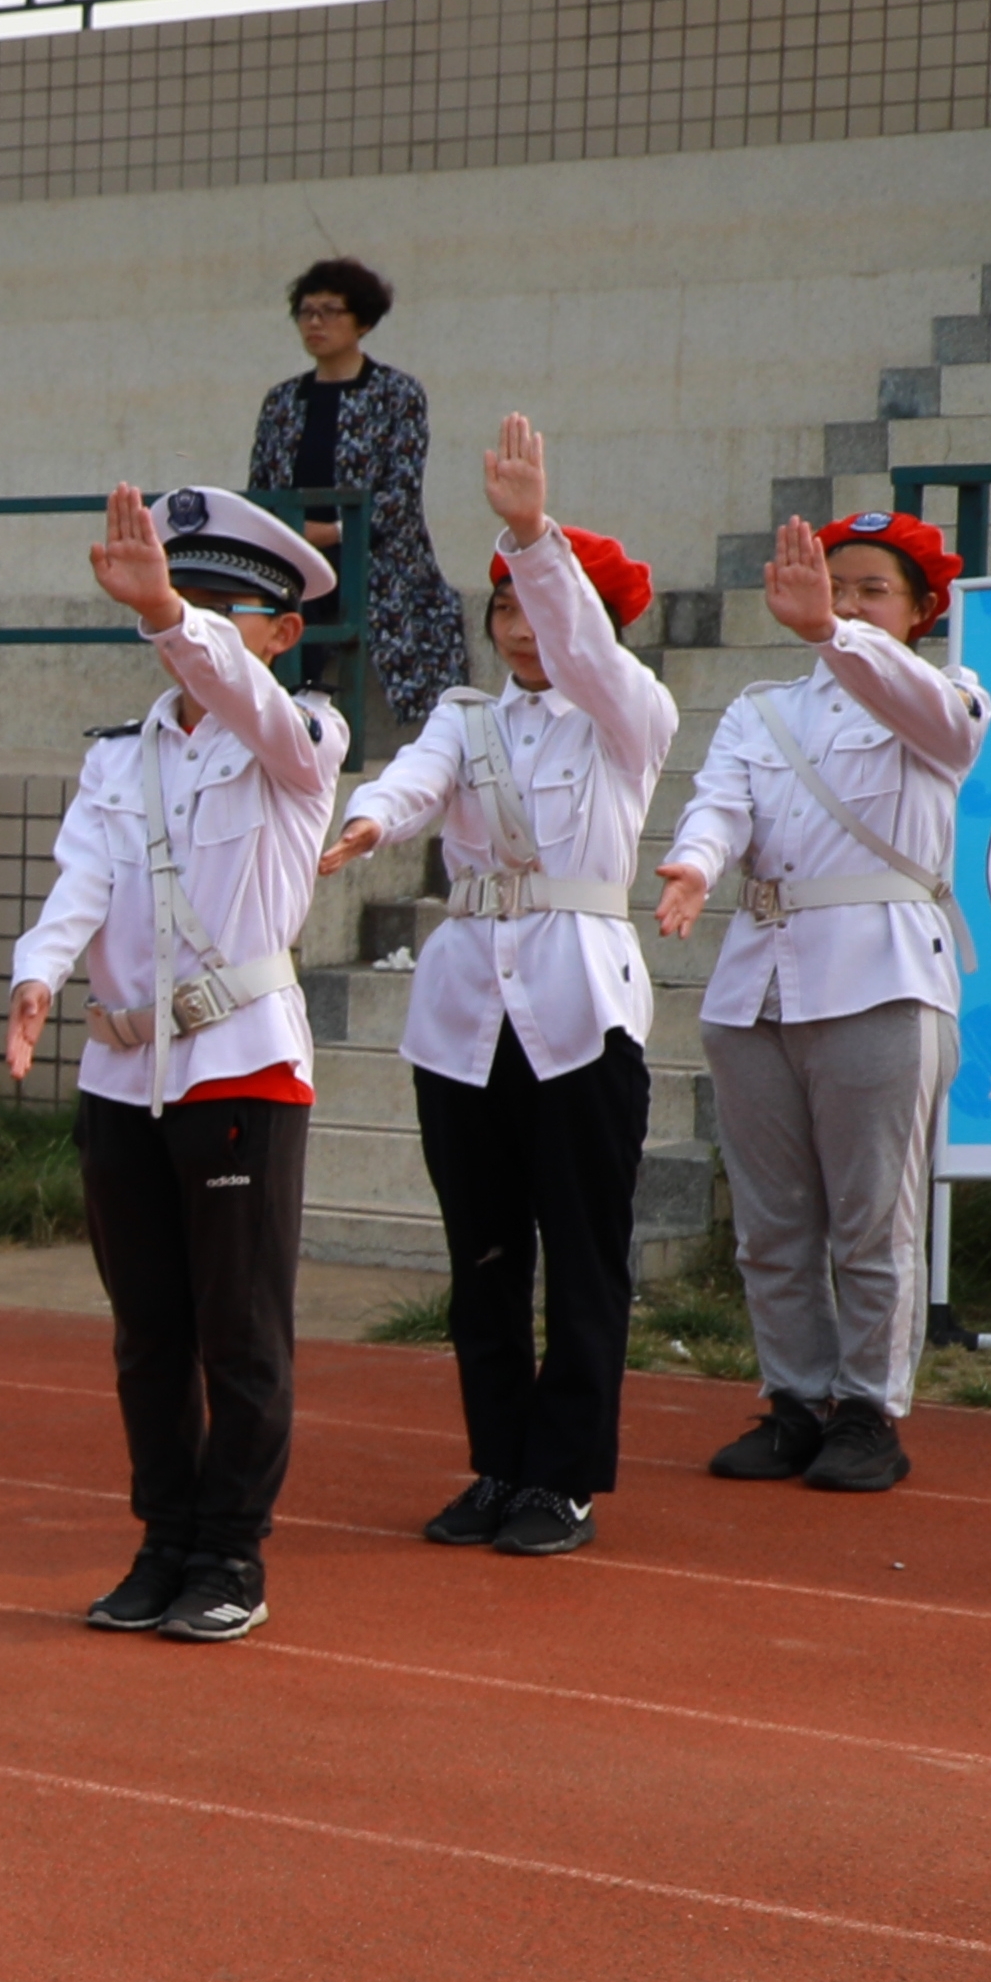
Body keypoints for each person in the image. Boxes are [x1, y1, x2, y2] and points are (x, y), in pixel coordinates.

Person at [316, 418, 670, 1556]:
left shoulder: (628, 716)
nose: (522, 628)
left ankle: (562, 1478)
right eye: (503, 607)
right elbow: (419, 778)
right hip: (466, 1019)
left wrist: (530, 530)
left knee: (582, 1248)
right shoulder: (464, 718)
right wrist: (369, 821)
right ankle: (498, 1461)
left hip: (579, 1014)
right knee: (482, 1253)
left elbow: (588, 652)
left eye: (540, 605)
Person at [7, 482, 347, 1649]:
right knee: (146, 1327)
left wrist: (163, 614)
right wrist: (39, 973)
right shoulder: (120, 756)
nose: (190, 626)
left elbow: (237, 694)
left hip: (241, 1064)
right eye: (180, 594)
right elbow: (82, 880)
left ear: (280, 631)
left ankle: (231, 1548)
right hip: (124, 1076)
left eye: (216, 606)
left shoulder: (300, 735)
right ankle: (163, 1536)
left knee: (239, 1329)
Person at [655, 499, 991, 1497]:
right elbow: (721, 800)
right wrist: (693, 862)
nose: (848, 602)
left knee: (870, 1214)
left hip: (881, 978)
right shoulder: (762, 709)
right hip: (759, 981)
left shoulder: (947, 698)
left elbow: (931, 718)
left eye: (873, 590)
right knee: (772, 1219)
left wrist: (830, 632)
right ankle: (795, 1398)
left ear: (921, 610)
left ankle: (869, 1409)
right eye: (833, 583)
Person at [244, 258, 443, 757]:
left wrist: (332, 533)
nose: (315, 323)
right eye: (307, 312)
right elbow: (261, 486)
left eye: (331, 311)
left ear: (364, 322)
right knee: (274, 618)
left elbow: (400, 491)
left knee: (404, 623)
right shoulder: (283, 400)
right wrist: (291, 534)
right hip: (293, 552)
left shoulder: (398, 394)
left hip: (374, 554)